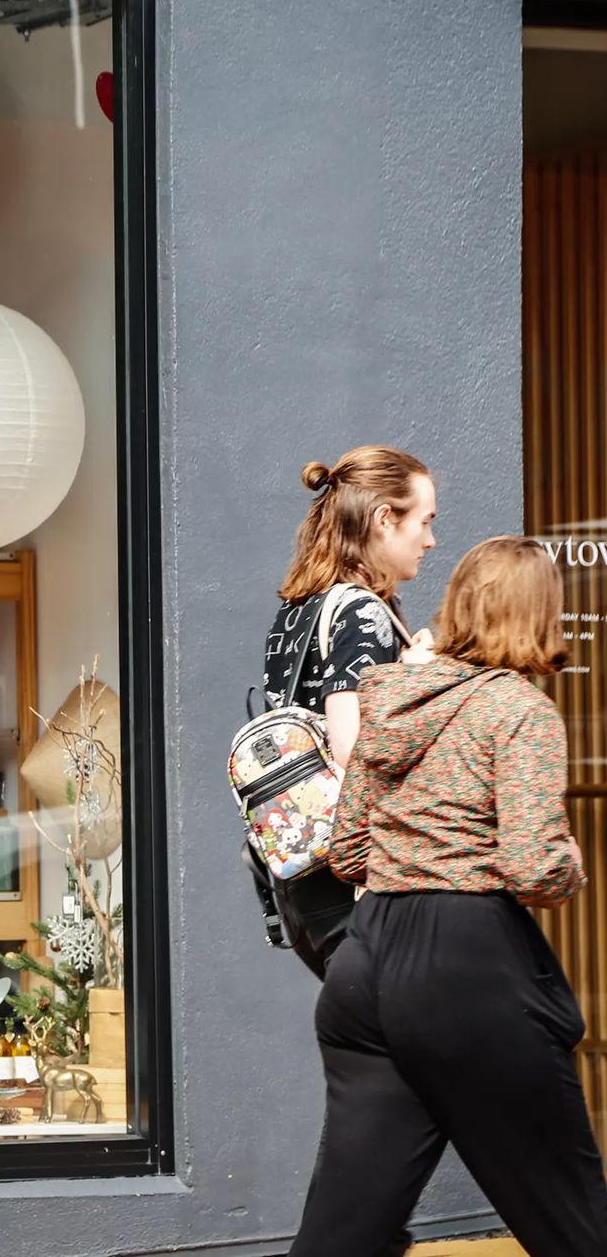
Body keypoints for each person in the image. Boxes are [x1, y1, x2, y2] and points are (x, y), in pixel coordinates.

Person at [287, 536, 607, 1257]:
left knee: (345, 1231)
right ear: (539, 615)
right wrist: (569, 862)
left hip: (366, 966)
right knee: (574, 1217)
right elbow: (532, 866)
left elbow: (346, 851)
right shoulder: (519, 713)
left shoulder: (391, 703)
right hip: (467, 968)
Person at [259, 446, 437, 975]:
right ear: (385, 518)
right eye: (424, 522)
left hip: (301, 876)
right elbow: (352, 747)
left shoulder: (299, 607)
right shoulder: (362, 610)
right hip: (355, 881)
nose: (430, 541)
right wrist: (416, 676)